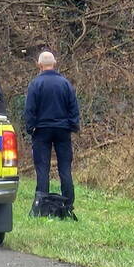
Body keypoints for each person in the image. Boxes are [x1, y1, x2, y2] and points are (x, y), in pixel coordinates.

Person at [23, 51, 79, 206]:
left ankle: (41, 202)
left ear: (39, 65)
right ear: (55, 63)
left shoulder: (35, 84)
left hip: (41, 130)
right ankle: (68, 203)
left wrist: (30, 128)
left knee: (42, 168)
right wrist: (72, 126)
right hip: (62, 130)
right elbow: (73, 107)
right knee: (65, 168)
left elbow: (29, 109)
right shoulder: (65, 83)